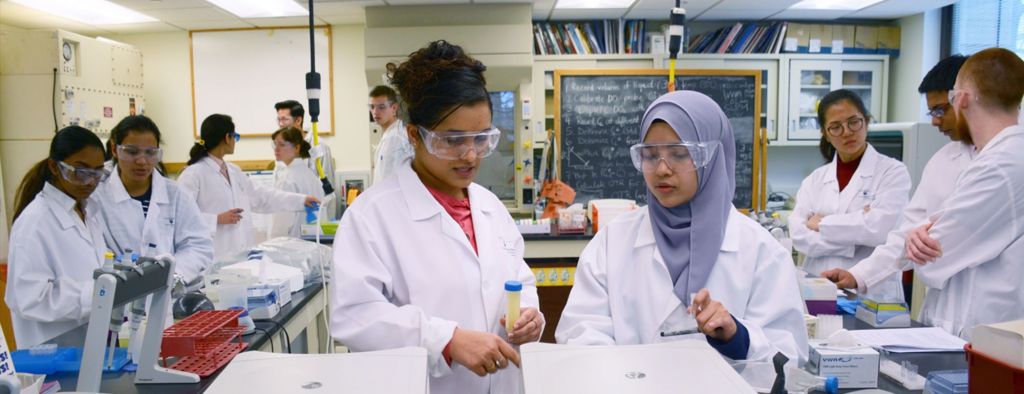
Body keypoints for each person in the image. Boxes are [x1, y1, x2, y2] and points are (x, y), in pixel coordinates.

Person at [330, 40, 543, 394]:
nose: (471, 155)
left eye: (480, 138)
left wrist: (529, 316)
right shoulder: (371, 217)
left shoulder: (490, 207)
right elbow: (353, 316)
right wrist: (445, 340)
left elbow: (519, 280)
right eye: (453, 140)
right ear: (415, 135)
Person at [555, 91, 808, 365]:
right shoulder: (612, 242)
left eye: (679, 154)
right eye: (650, 155)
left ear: (713, 158)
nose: (662, 169)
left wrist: (739, 338)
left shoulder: (761, 250)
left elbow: (789, 355)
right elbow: (580, 333)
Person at [822, 56, 975, 308]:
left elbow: (881, 229)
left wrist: (824, 223)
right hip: (942, 304)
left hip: (994, 308)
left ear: (966, 99)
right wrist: (858, 275)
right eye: (931, 112)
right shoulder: (942, 161)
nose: (935, 121)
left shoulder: (1009, 157)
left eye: (940, 110)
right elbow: (906, 233)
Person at [899, 48, 1024, 339]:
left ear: (962, 98)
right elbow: (926, 235)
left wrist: (924, 236)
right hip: (971, 327)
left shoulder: (1000, 165)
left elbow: (934, 260)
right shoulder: (1000, 156)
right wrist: (924, 233)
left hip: (977, 330)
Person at [789, 89, 911, 301]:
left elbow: (879, 228)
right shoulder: (815, 180)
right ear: (825, 134)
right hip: (819, 287)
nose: (846, 132)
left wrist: (822, 224)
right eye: (835, 127)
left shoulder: (892, 172)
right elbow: (799, 235)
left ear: (867, 121)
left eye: (854, 122)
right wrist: (855, 240)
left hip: (873, 291)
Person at [5, 126, 109, 347]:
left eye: (97, 173)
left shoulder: (88, 212)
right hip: (51, 353)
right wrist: (97, 294)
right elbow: (29, 298)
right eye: (80, 171)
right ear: (54, 166)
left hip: (90, 344)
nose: (90, 182)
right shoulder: (34, 222)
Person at [90, 115, 214, 284]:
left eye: (150, 153)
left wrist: (170, 276)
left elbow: (198, 245)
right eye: (131, 151)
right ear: (114, 149)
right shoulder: (96, 198)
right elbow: (95, 252)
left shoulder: (175, 194)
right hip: (119, 294)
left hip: (169, 292)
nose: (142, 161)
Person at [177, 114, 319, 261]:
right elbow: (179, 217)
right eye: (235, 137)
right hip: (212, 257)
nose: (235, 142)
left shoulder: (234, 171)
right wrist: (216, 219)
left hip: (242, 257)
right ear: (227, 137)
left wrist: (301, 200)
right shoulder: (193, 174)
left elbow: (263, 196)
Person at [268, 127, 325, 238]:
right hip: (311, 246)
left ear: (297, 148)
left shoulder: (287, 180)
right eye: (275, 144)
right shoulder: (310, 176)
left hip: (290, 249)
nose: (276, 149)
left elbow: (280, 227)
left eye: (282, 145)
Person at [275, 100, 334, 193]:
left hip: (314, 205)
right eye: (279, 120)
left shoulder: (318, 145)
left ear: (298, 120)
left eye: (284, 119)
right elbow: (277, 181)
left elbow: (328, 185)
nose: (280, 124)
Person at [369, 85, 414, 183]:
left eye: (381, 107)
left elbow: (390, 183)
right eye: (372, 107)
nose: (375, 112)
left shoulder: (395, 138)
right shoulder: (389, 135)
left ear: (394, 108)